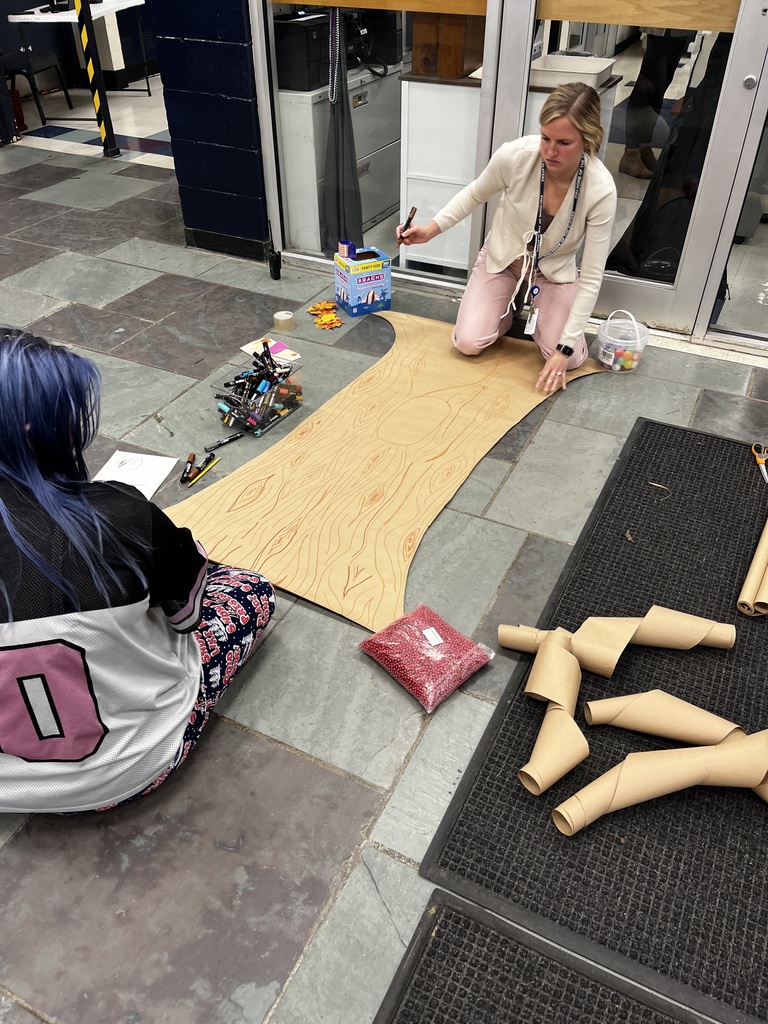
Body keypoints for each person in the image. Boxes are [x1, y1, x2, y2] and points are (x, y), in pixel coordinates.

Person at [0, 327, 275, 814]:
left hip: (10, 786)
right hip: (128, 767)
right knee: (250, 590)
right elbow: (186, 619)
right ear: (29, 430)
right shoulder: (118, 513)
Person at [398, 81, 617, 393]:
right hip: (505, 259)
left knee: (566, 359)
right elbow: (474, 194)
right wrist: (430, 230)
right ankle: (508, 307)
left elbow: (593, 277)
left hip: (554, 272)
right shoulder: (515, 156)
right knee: (468, 342)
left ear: (588, 139)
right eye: (545, 138)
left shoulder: (601, 189)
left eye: (564, 143)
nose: (550, 151)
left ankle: (543, 313)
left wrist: (565, 348)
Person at [619, 28, 697, 180]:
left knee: (660, 88)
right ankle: (631, 154)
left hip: (684, 22)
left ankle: (644, 148)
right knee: (648, 84)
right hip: (664, 22)